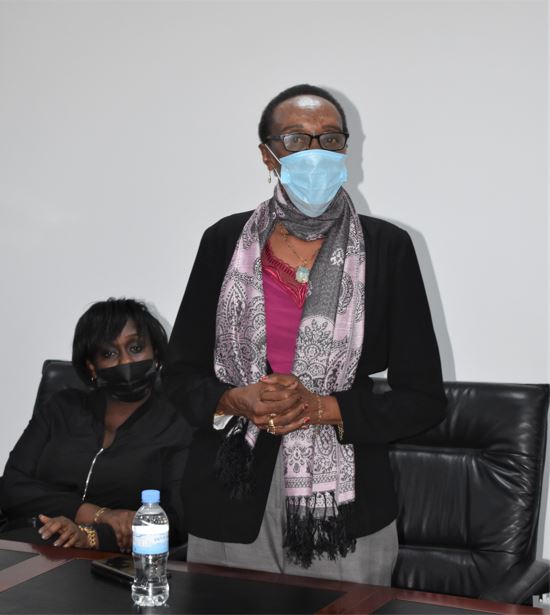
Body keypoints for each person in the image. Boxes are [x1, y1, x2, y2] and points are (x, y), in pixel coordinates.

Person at [163, 84, 447, 584]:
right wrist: (234, 399)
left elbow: (423, 400)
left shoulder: (387, 248)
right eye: (296, 139)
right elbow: (179, 375)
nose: (316, 152)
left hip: (345, 504)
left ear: (346, 150)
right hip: (231, 489)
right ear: (267, 155)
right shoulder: (225, 242)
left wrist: (323, 408)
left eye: (330, 139)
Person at [0, 298, 190, 552]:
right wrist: (97, 514)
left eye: (135, 348)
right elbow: (11, 486)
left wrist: (91, 536)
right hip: (27, 543)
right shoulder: (62, 408)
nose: (125, 362)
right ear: (92, 366)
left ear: (155, 352)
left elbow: (176, 522)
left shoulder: (179, 423)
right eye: (109, 353)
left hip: (113, 559)